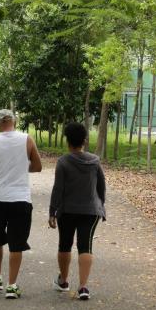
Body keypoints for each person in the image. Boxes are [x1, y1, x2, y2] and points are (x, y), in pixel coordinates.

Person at [0, 109, 43, 299]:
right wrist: (21, 169)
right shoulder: (27, 140)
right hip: (20, 199)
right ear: (14, 122)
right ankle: (12, 285)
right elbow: (38, 167)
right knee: (17, 242)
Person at [48, 122, 106, 300]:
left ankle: (64, 281)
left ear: (67, 141)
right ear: (84, 140)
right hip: (91, 210)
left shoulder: (63, 162)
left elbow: (58, 189)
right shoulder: (95, 161)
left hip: (67, 210)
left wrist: (52, 211)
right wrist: (100, 205)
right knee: (85, 245)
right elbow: (101, 187)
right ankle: (83, 287)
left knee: (65, 244)